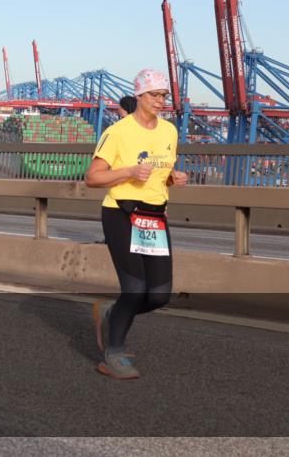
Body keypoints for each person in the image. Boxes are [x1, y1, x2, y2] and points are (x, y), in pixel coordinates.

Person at [84, 69, 187, 379]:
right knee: (134, 289)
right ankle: (113, 354)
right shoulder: (118, 132)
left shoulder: (169, 131)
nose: (160, 101)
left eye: (164, 95)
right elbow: (92, 178)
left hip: (155, 217)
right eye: (154, 95)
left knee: (159, 295)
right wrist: (128, 171)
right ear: (139, 96)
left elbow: (162, 172)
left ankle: (111, 315)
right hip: (121, 213)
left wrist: (173, 177)